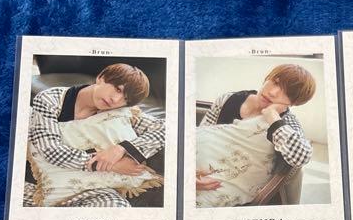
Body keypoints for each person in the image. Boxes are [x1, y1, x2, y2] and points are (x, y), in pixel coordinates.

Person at [25, 62, 165, 208]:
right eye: (118, 89)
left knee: (117, 209)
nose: (116, 100)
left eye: (125, 100)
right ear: (101, 77)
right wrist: (111, 165)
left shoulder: (120, 113)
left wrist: (121, 148)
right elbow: (51, 150)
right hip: (50, 186)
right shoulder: (50, 99)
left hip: (97, 189)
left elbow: (165, 129)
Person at [195, 63, 316, 207]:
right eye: (275, 82)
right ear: (267, 78)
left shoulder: (285, 122)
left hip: (225, 188)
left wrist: (272, 117)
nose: (273, 92)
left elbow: (302, 157)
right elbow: (201, 136)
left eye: (287, 93)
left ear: (293, 103)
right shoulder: (227, 99)